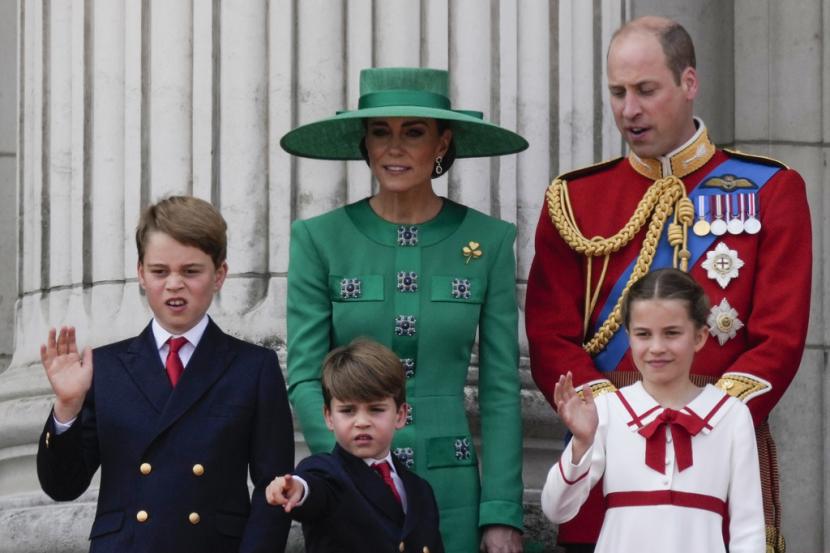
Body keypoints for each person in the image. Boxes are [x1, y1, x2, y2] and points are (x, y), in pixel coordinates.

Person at [526, 16, 810, 553]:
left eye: (646, 90)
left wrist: (708, 420)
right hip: (607, 461)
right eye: (617, 92)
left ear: (689, 84)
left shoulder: (772, 189)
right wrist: (617, 420)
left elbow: (781, 338)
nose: (629, 110)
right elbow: (549, 335)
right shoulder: (575, 199)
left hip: (722, 460)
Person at [282, 66, 528, 553]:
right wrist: (345, 465)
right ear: (365, 144)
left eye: (413, 132)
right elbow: (306, 377)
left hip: (452, 490)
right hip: (350, 490)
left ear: (442, 143)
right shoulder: (318, 239)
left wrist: (501, 510)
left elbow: (501, 386)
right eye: (381, 132)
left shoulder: (490, 241)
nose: (395, 148)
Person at [36, 196, 294, 553]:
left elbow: (274, 490)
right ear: (141, 273)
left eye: (191, 271)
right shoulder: (105, 368)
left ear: (219, 275)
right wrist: (67, 409)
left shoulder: (254, 368)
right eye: (160, 272)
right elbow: (62, 486)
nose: (174, 284)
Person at [540, 269, 764, 553]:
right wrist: (582, 443)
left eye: (672, 333)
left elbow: (749, 529)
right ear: (629, 337)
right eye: (643, 334)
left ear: (699, 337)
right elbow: (556, 509)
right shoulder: (608, 409)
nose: (657, 347)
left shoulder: (731, 415)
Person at [266, 338, 444, 553]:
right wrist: (296, 488)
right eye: (348, 410)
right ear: (329, 417)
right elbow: (313, 488)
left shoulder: (420, 489)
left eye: (376, 409)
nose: (361, 422)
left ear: (400, 414)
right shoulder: (327, 471)